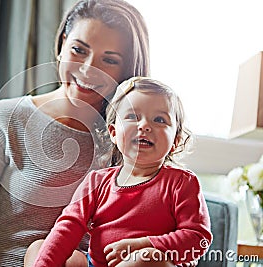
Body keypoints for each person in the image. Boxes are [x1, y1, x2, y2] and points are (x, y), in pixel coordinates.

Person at [0, 0, 150, 266]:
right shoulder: (3, 118)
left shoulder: (130, 144)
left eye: (109, 60)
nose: (88, 69)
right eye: (79, 50)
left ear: (126, 72)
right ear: (61, 45)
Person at [25, 77, 213, 267]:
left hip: (151, 263)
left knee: (146, 258)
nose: (144, 126)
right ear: (114, 133)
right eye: (132, 117)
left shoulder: (182, 182)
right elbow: (69, 226)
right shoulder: (97, 181)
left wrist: (144, 245)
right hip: (97, 263)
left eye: (159, 120)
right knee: (39, 248)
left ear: (176, 142)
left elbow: (199, 238)